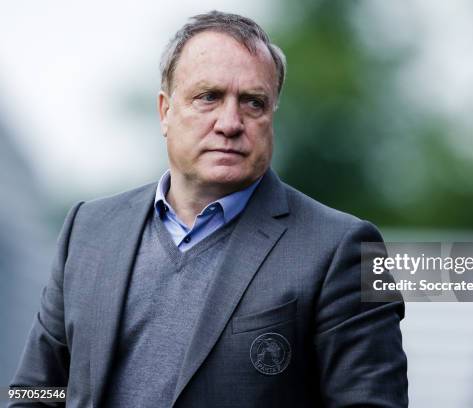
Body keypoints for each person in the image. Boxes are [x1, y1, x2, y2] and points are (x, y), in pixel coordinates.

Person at [10, 11, 408, 407]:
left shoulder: (345, 249)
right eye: (208, 97)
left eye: (253, 102)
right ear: (165, 111)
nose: (230, 122)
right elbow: (40, 389)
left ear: (272, 116)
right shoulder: (88, 231)